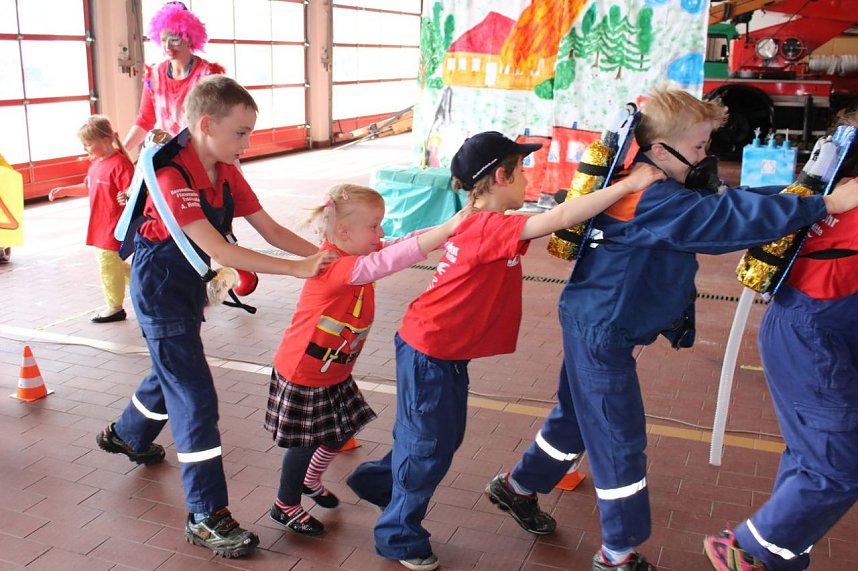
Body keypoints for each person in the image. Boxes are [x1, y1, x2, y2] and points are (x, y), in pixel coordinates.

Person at [482, 88, 858, 571]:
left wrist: (800, 198)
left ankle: (516, 487)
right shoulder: (653, 200)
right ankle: (617, 553)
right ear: (661, 150)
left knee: (577, 416)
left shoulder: (655, 184)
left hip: (594, 322)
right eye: (700, 148)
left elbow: (731, 200)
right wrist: (823, 203)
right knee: (619, 440)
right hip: (601, 331)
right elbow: (723, 220)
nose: (706, 157)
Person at [345, 130, 666, 571]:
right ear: (500, 176)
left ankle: (380, 482)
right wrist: (627, 186)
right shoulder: (487, 226)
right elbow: (557, 218)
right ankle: (397, 535)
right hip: (429, 352)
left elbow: (550, 213)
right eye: (522, 172)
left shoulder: (482, 221)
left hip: (439, 352)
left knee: (438, 439)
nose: (527, 181)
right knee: (428, 446)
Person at [95, 75, 334, 559]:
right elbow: (220, 247)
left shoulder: (225, 168)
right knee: (196, 399)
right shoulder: (172, 176)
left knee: (173, 369)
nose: (247, 143)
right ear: (207, 124)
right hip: (161, 286)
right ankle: (207, 514)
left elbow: (268, 227)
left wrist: (334, 260)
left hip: (189, 286)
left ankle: (126, 434)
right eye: (241, 132)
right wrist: (301, 270)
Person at [265, 183, 475, 536]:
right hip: (304, 370)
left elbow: (401, 244)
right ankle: (285, 504)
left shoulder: (358, 256)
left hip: (334, 369)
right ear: (344, 232)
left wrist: (452, 226)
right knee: (303, 444)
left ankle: (310, 479)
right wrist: (448, 230)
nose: (381, 233)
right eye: (374, 226)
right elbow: (387, 260)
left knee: (343, 427)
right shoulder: (336, 266)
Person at [703, 114, 858, 571]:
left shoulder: (838, 188)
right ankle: (749, 546)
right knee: (837, 464)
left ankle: (779, 557)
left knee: (813, 457)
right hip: (813, 338)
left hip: (809, 331)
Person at [48, 115, 135, 323]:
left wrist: (126, 197)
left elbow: (134, 193)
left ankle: (115, 307)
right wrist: (64, 191)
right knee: (115, 265)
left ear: (106, 140)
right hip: (99, 225)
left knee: (108, 266)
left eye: (88, 144)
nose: (85, 149)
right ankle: (149, 288)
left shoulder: (120, 164)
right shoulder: (96, 163)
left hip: (113, 226)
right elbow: (88, 186)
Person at [123, 2, 224, 151]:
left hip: (202, 155)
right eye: (163, 40)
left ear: (189, 38)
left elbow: (218, 122)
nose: (168, 47)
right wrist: (122, 151)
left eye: (174, 39)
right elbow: (145, 120)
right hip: (168, 156)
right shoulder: (154, 75)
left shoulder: (207, 75)